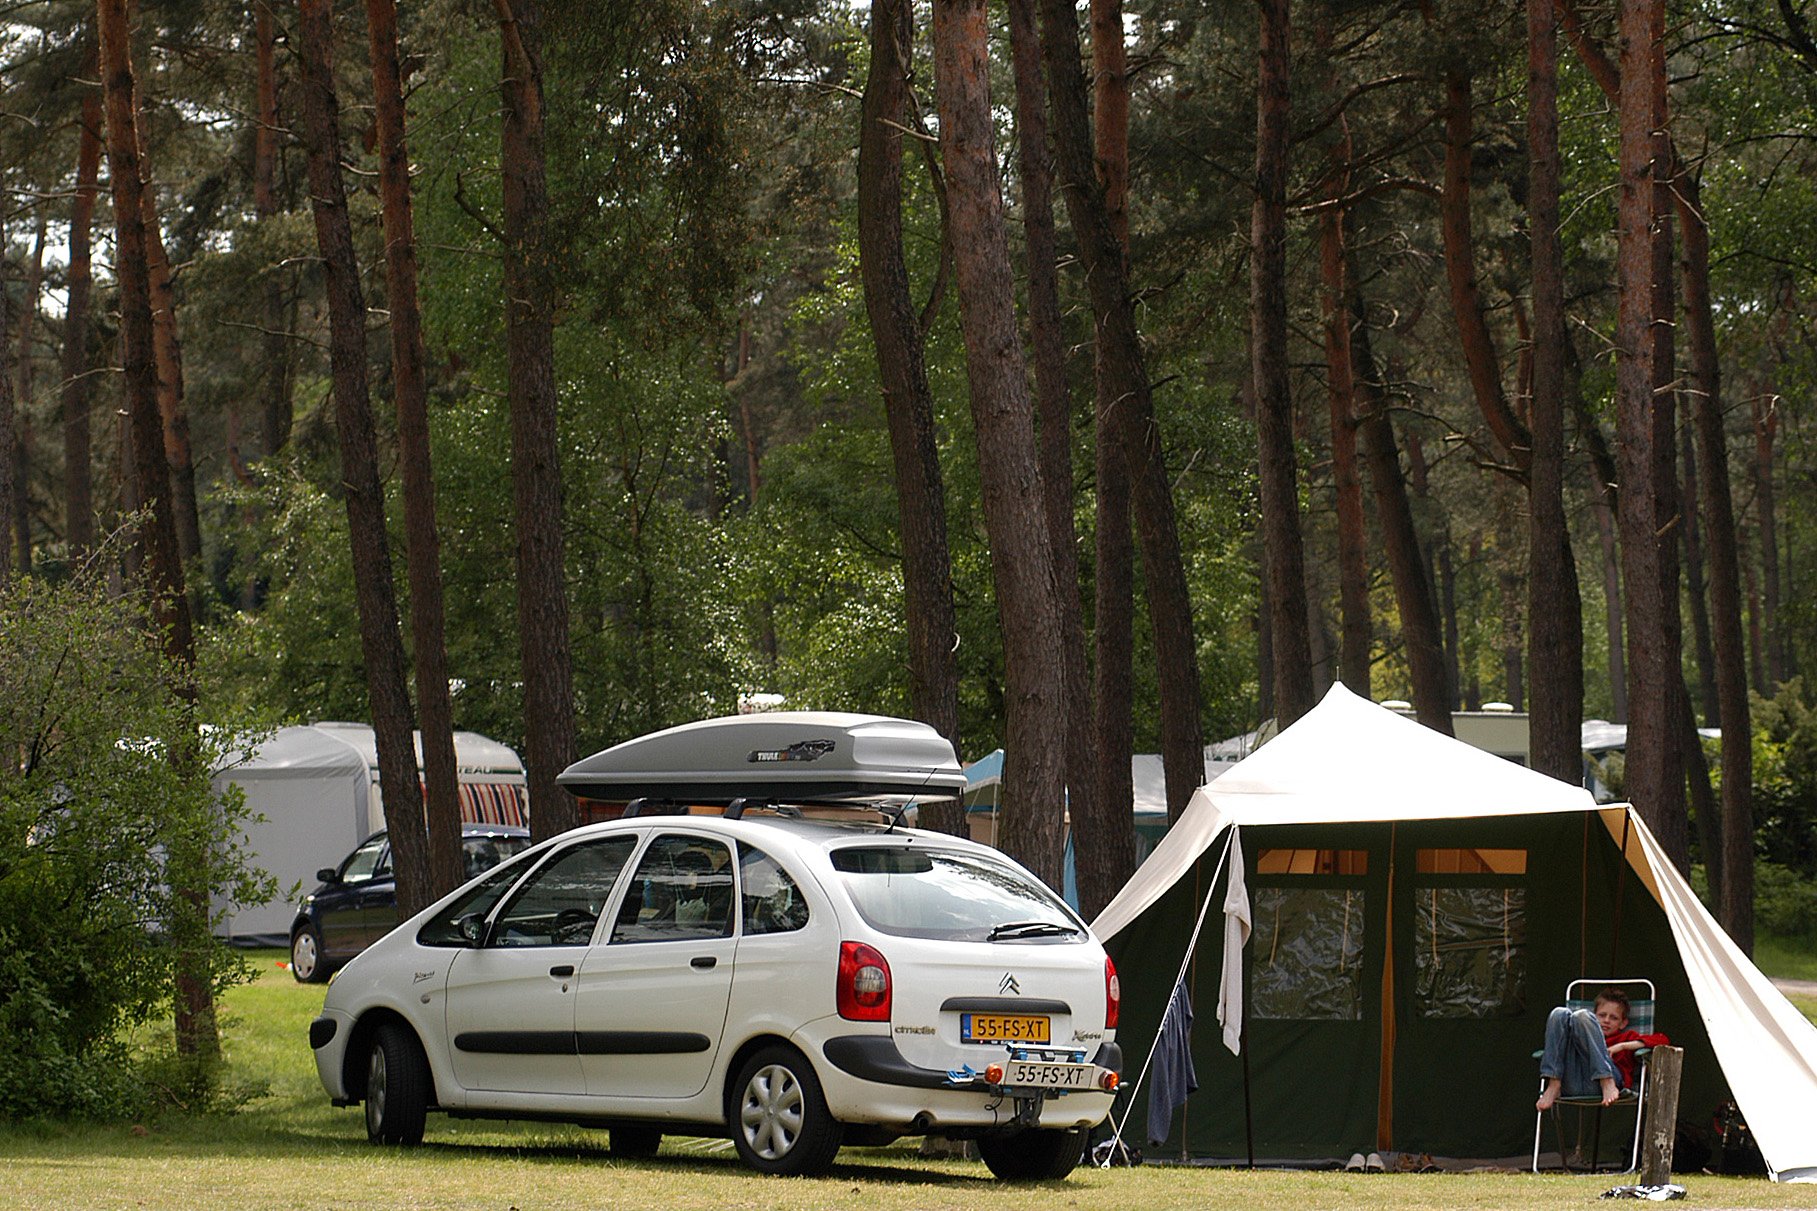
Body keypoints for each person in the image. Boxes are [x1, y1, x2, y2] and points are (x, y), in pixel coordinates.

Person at [1536, 987, 1669, 1111]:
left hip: (1606, 1085)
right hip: (1573, 1082)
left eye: (1614, 1018)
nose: (1606, 1020)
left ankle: (1606, 1079)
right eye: (1602, 1015)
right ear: (1595, 1017)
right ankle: (1554, 1083)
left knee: (1581, 1016)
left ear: (1623, 1023)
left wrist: (1622, 1046)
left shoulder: (1626, 1037)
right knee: (1559, 1013)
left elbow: (1663, 1040)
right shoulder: (1578, 1035)